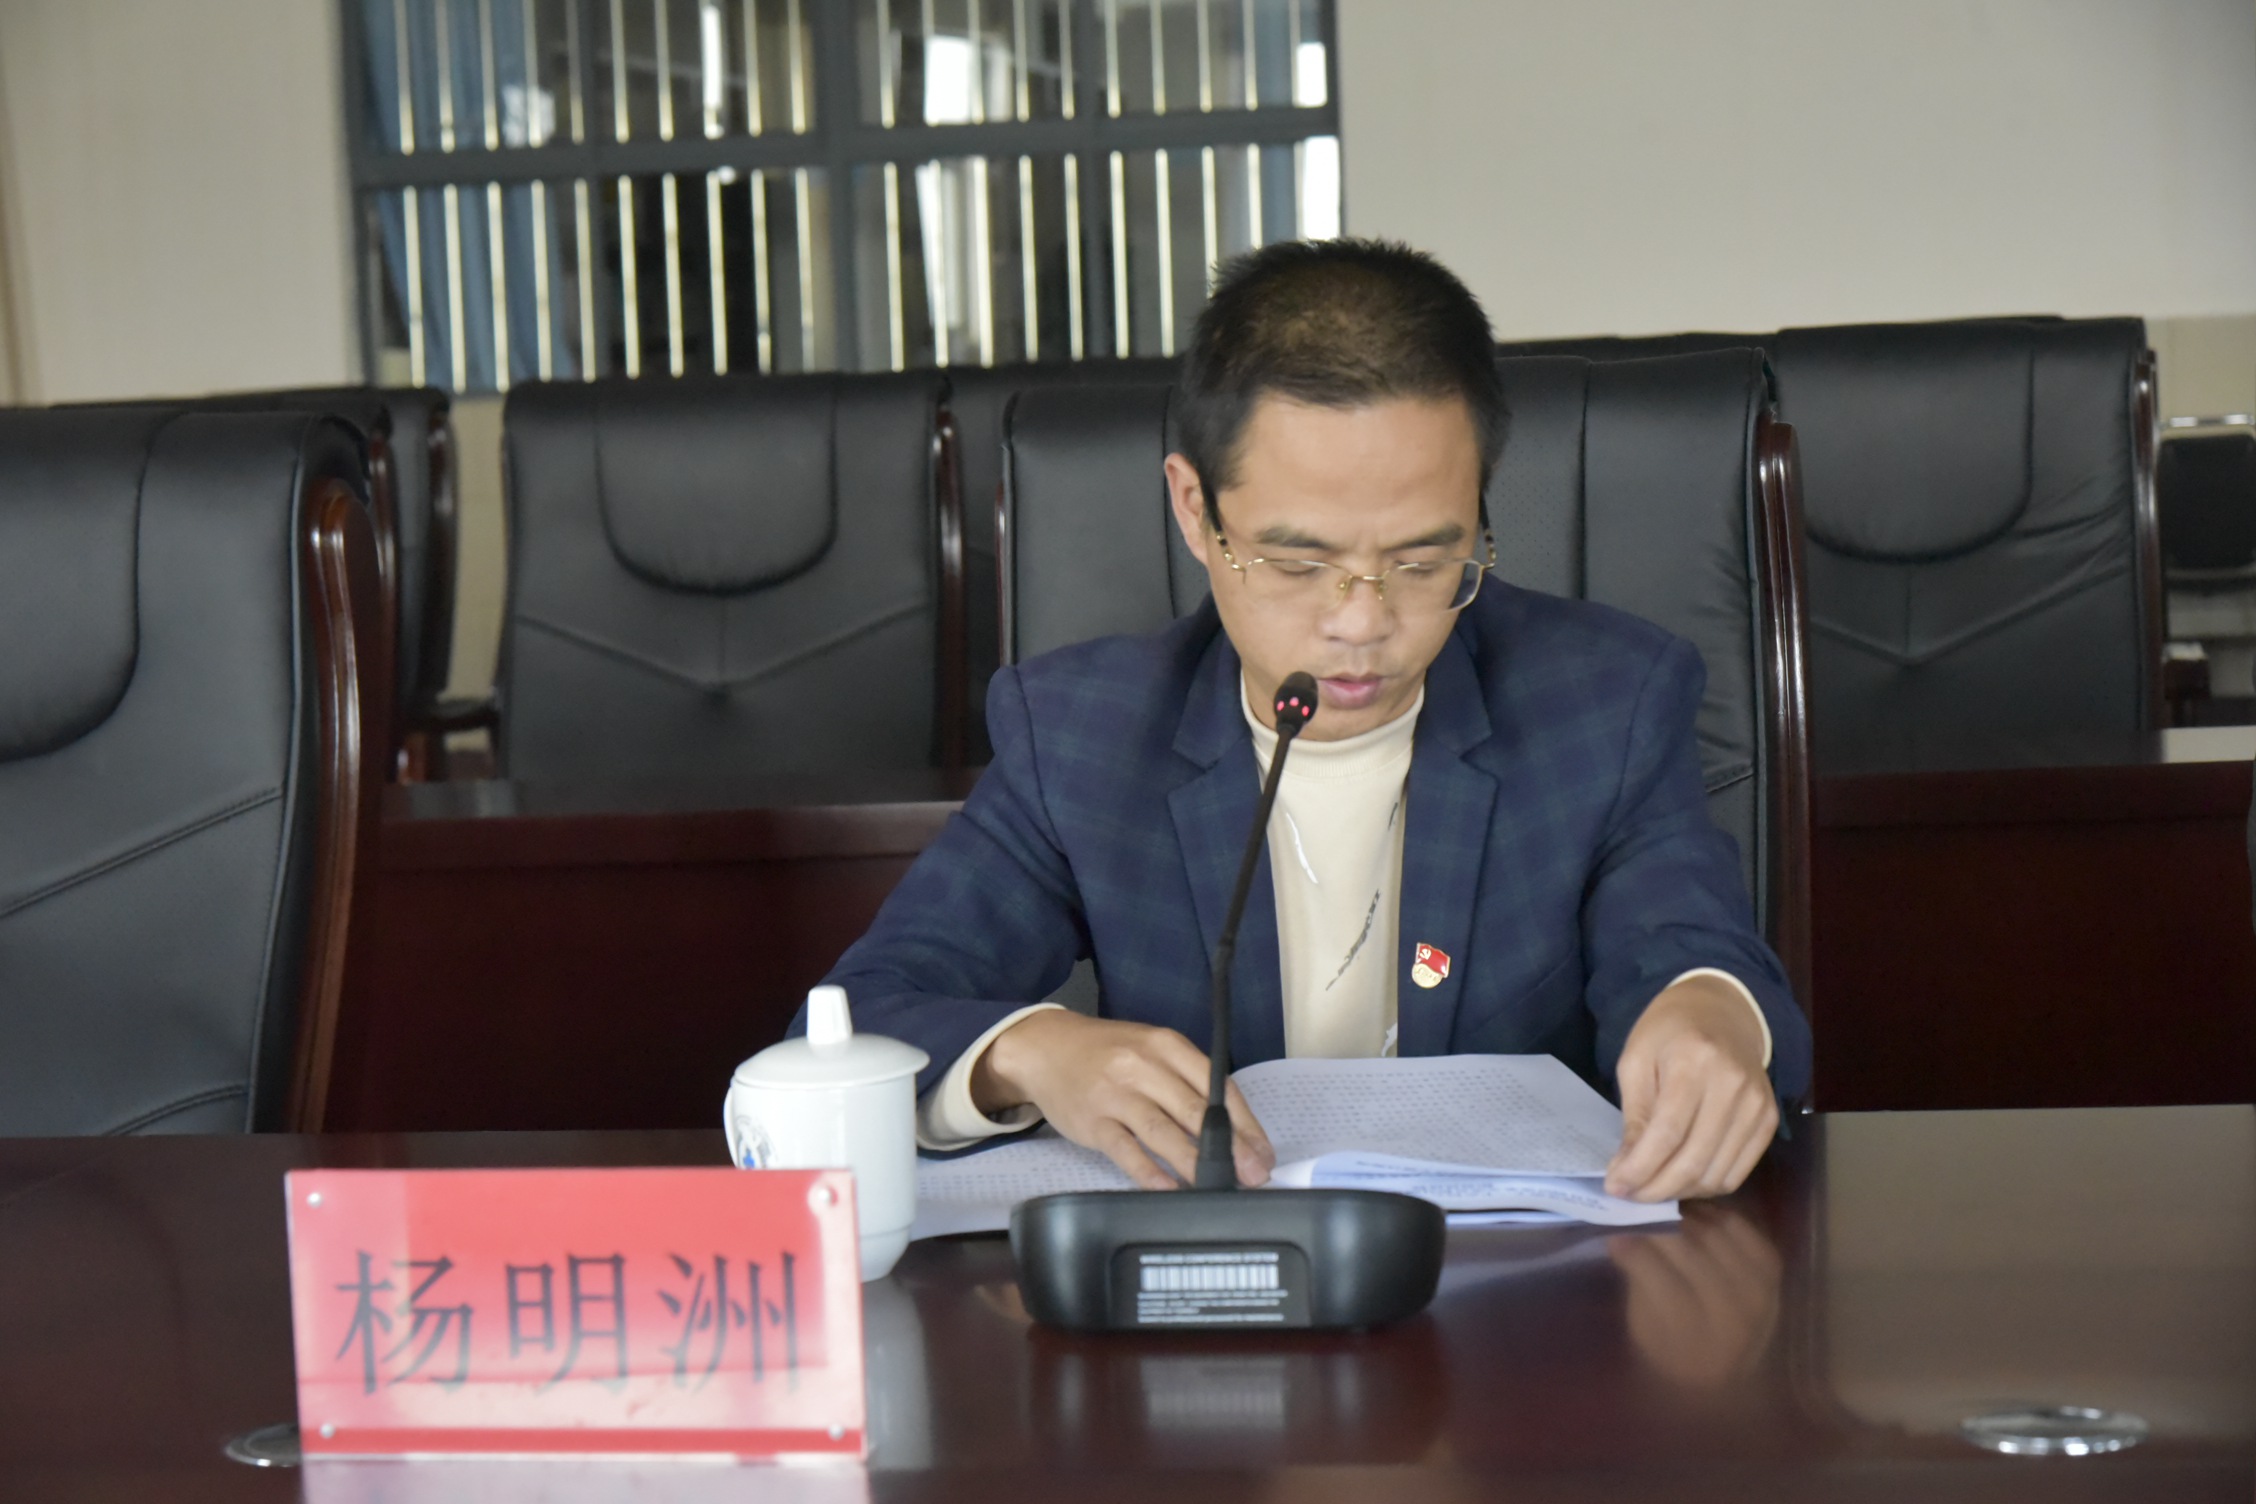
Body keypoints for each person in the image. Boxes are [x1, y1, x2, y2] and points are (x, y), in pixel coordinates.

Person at [807, 238, 1811, 1203]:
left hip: (1521, 1289)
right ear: (1194, 510)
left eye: (1423, 561)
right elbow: (863, 1019)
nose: (1361, 624)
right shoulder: (1080, 736)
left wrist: (1709, 1014)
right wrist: (1029, 1052)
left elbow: (1689, 947)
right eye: (1297, 563)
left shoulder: (1607, 702)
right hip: (1217, 1293)